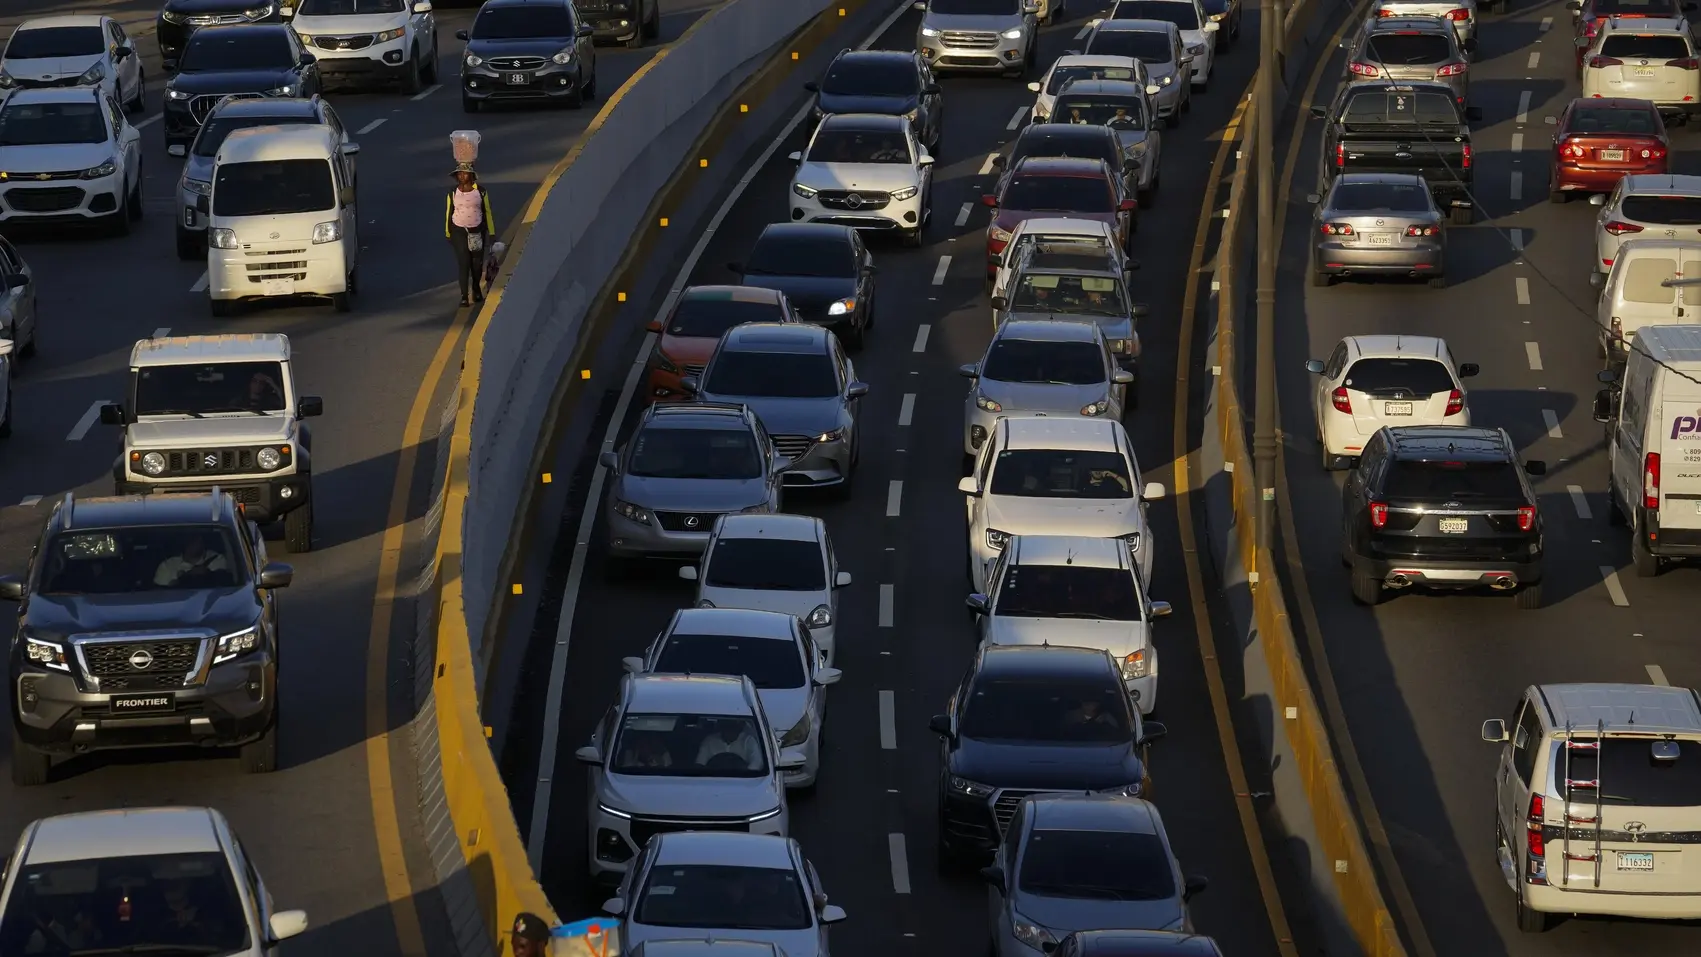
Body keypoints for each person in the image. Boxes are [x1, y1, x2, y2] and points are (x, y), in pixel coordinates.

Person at [445, 165, 496, 307]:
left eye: (465, 174)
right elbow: (449, 212)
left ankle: (476, 289)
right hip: (458, 231)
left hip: (477, 231)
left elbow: (487, 212)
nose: (461, 176)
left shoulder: (481, 192)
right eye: (459, 174)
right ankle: (464, 296)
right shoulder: (452, 192)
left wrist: (491, 232)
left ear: (471, 176)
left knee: (476, 264)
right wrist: (448, 232)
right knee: (464, 263)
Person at [155, 535, 228, 587]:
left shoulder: (217, 559)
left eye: (197, 538)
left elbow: (221, 586)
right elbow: (161, 594)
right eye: (190, 539)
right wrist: (187, 576)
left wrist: (207, 574)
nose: (194, 542)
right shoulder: (167, 566)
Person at [694, 718, 762, 770]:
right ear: (722, 728)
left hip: (742, 783)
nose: (730, 730)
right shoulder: (709, 741)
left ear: (740, 728)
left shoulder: (748, 741)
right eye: (727, 726)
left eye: (734, 727)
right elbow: (700, 764)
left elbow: (756, 763)